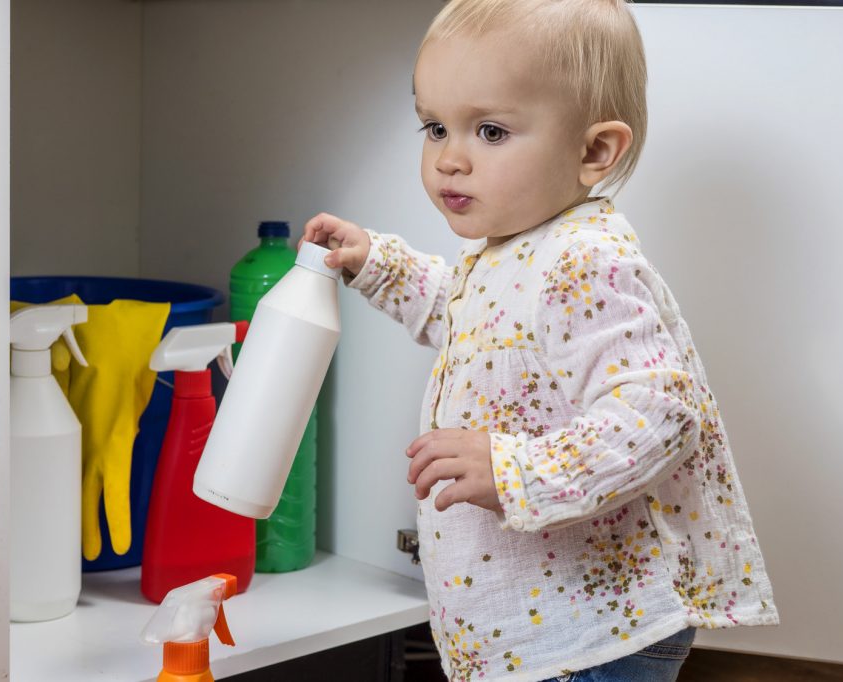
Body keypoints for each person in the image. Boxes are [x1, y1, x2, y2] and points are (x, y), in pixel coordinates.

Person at [303, 1, 778, 679]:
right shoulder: (513, 253)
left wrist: (516, 470)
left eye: (490, 131)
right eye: (435, 126)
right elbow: (474, 325)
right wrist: (378, 262)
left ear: (593, 151)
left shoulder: (581, 260)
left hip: (589, 635)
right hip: (545, 629)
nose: (450, 159)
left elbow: (659, 413)